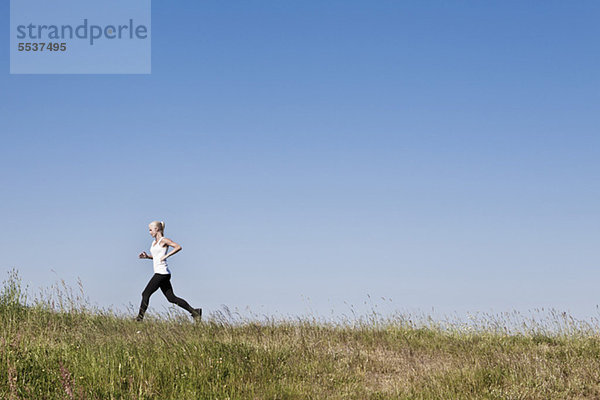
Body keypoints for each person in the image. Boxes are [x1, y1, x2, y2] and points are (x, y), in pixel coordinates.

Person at [136, 220, 201, 321]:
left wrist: (166, 255)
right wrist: (147, 257)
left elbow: (178, 247)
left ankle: (139, 319)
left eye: (150, 230)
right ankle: (195, 312)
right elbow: (157, 257)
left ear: (156, 229)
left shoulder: (164, 240)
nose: (149, 232)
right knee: (171, 298)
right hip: (163, 273)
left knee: (145, 293)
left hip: (161, 273)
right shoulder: (154, 242)